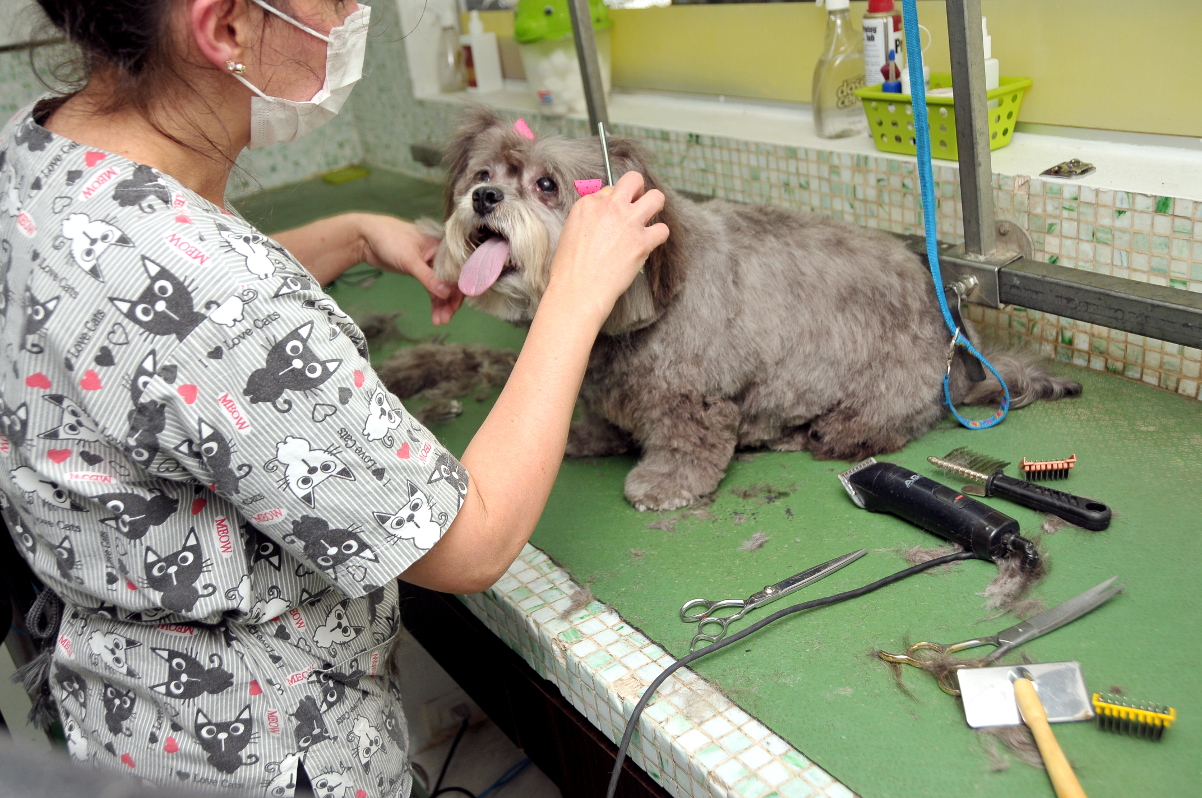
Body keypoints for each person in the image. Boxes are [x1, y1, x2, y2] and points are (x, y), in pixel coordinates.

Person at [0, 0, 668, 795]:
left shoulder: (37, 149)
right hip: (261, 755)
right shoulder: (221, 295)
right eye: (336, 1)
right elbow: (472, 543)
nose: (356, 13)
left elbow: (137, 310)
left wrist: (350, 234)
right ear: (226, 28)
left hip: (127, 721)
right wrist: (576, 297)